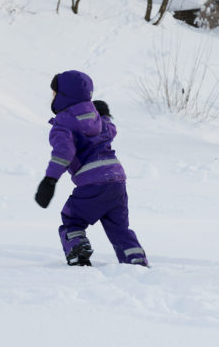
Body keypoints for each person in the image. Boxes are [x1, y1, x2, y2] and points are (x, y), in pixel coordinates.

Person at [34, 70, 148, 268]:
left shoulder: (63, 123)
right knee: (120, 228)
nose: (52, 98)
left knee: (72, 219)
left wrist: (49, 180)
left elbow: (64, 152)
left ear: (63, 96)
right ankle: (135, 259)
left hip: (92, 183)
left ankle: (78, 251)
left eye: (54, 94)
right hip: (117, 180)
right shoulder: (97, 119)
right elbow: (110, 130)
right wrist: (105, 115)